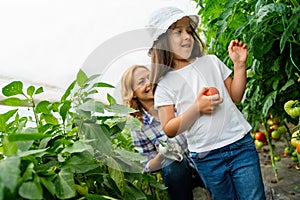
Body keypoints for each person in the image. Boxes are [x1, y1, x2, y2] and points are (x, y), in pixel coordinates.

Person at [147, 6, 266, 200]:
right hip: (206, 156)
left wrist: (239, 65)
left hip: (239, 144)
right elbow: (169, 128)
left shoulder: (211, 62)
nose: (187, 36)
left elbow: (236, 95)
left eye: (189, 30)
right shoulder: (165, 84)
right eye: (178, 32)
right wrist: (197, 108)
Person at [120, 65, 209, 200]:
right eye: (141, 82)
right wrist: (163, 154)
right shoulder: (139, 126)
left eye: (150, 77)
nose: (148, 83)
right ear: (133, 93)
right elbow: (147, 165)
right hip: (178, 176)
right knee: (171, 162)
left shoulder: (176, 99)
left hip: (203, 159)